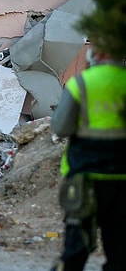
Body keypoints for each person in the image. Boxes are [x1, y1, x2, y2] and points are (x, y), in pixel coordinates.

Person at [50, 44, 126, 271]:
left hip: (84, 179)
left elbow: (60, 128)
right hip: (122, 181)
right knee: (120, 252)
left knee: (76, 249)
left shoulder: (82, 84)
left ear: (100, 53)